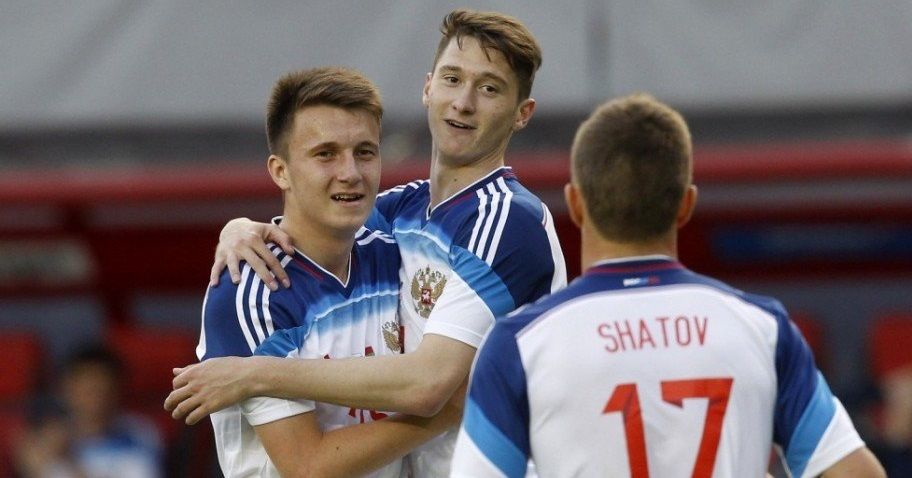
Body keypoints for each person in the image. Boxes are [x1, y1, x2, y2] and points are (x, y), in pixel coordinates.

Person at [165, 9, 566, 477]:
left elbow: (427, 384)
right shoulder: (397, 217)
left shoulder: (506, 220)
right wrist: (238, 228)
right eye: (453, 79)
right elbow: (318, 221)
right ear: (428, 87)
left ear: (522, 114)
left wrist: (254, 372)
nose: (463, 103)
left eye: (490, 88)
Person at [449, 93, 886, 478]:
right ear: (686, 204)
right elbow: (857, 472)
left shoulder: (520, 344)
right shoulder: (762, 328)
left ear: (576, 205)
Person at [196, 66, 461, 478]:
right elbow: (308, 466)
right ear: (280, 171)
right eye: (325, 154)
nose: (350, 173)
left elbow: (475, 191)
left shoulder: (396, 244)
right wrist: (447, 408)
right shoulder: (252, 290)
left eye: (365, 152)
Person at [14, 344, 162, 478]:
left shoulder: (139, 434)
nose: (94, 398)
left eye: (101, 388)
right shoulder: (45, 438)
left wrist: (68, 459)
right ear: (66, 389)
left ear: (117, 389)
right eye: (87, 389)